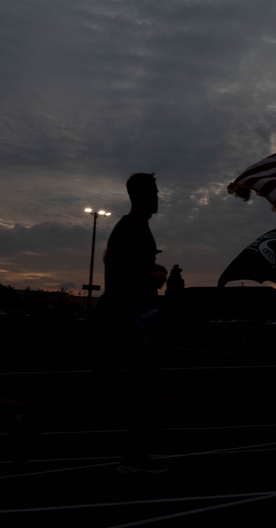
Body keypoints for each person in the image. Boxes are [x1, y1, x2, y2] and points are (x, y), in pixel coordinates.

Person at [97, 173, 168, 475]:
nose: (158, 196)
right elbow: (112, 259)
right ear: (141, 195)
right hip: (129, 316)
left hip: (132, 315)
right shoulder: (131, 225)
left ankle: (134, 456)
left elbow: (123, 260)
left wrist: (152, 268)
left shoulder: (137, 227)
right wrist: (150, 274)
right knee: (141, 388)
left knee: (134, 385)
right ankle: (133, 459)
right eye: (154, 191)